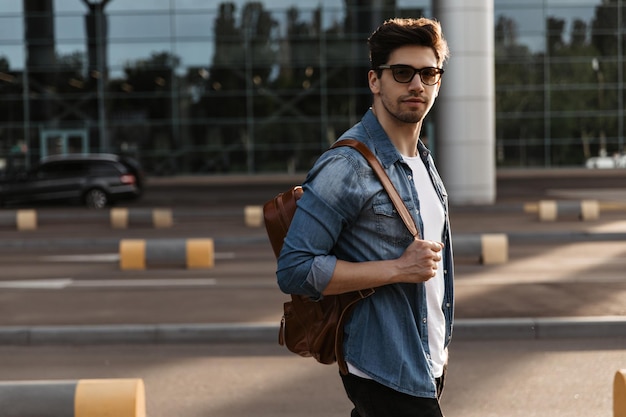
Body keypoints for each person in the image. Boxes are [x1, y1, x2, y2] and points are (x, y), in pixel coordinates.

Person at [277, 17, 454, 417]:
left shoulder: (422, 162)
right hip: (383, 367)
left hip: (427, 360)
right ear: (375, 81)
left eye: (429, 73)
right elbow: (294, 269)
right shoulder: (346, 166)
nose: (417, 85)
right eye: (403, 73)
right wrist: (397, 268)